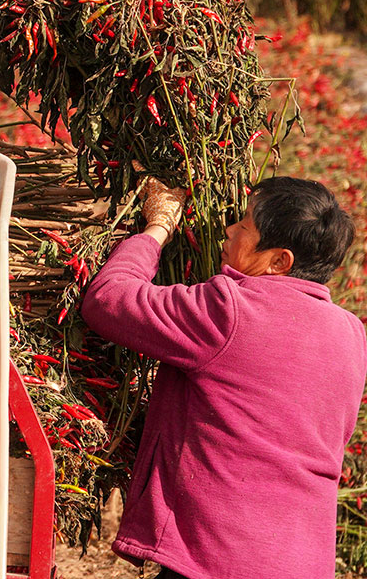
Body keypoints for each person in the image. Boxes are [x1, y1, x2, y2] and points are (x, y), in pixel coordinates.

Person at [81, 175, 366, 579]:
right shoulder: (352, 333)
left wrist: (157, 227)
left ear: (279, 261)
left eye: (245, 226)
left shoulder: (231, 310)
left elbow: (109, 299)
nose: (229, 230)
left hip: (218, 557)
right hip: (303, 559)